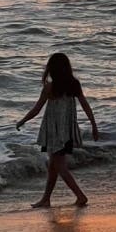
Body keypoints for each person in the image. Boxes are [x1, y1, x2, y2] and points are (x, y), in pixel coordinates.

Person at [17, 51, 99, 207]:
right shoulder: (73, 84)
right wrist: (93, 124)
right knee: (53, 166)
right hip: (67, 131)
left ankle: (80, 196)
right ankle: (46, 199)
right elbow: (85, 105)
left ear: (52, 69)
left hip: (54, 132)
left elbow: (37, 109)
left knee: (59, 165)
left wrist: (22, 121)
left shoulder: (50, 87)